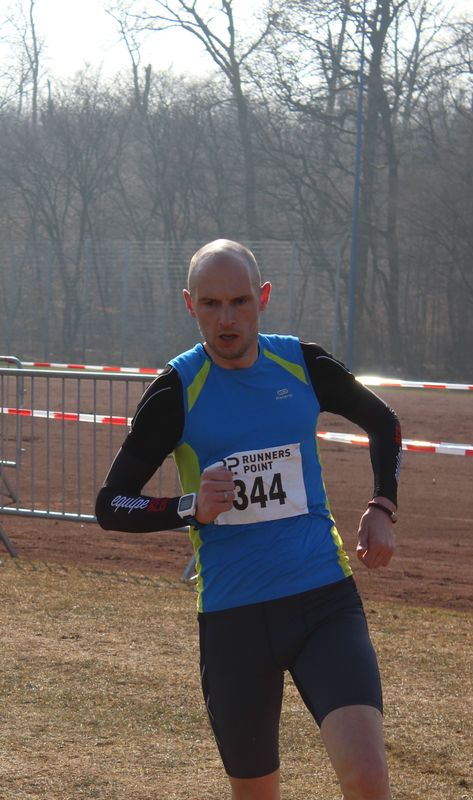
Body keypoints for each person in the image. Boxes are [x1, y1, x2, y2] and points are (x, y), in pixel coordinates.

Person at [95, 239, 402, 800]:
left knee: (367, 776)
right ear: (189, 304)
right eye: (210, 304)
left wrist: (383, 505)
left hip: (323, 602)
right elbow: (111, 504)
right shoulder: (177, 390)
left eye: (239, 301)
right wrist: (189, 507)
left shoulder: (301, 363)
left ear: (263, 297)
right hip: (234, 620)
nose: (227, 319)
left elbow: (384, 422)